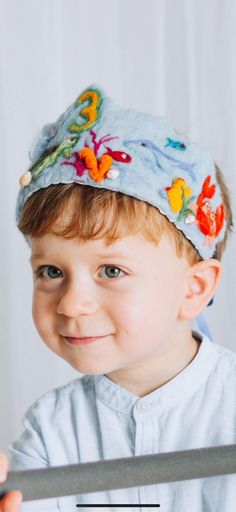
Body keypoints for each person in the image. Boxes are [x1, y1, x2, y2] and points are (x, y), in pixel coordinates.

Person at [0, 84, 235, 512]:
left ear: (194, 288)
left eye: (111, 271)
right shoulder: (51, 430)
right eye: (51, 271)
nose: (71, 304)